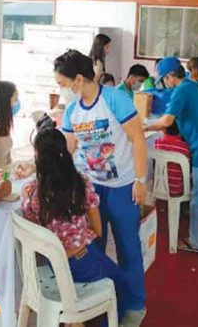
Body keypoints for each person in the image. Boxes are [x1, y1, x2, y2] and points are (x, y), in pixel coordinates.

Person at [54, 49, 147, 324]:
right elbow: (68, 149)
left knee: (128, 247)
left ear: (79, 79)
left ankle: (134, 305)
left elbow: (138, 140)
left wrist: (141, 181)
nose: (62, 91)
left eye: (63, 84)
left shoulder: (114, 99)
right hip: (90, 189)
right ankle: (103, 304)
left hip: (122, 186)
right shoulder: (72, 110)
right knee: (93, 247)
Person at [21, 128, 131, 324]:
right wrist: (80, 241)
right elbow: (98, 230)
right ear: (65, 152)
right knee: (123, 286)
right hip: (81, 260)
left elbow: (34, 230)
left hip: (51, 266)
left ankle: (76, 320)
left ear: (38, 156)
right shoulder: (80, 184)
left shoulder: (30, 191)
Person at [145, 57, 198, 254]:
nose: (164, 84)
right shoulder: (195, 86)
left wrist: (143, 126)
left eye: (163, 80)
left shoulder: (181, 90)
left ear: (169, 77)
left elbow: (167, 121)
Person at [153, 121, 191, 197]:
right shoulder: (184, 147)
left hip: (158, 187)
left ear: (163, 129)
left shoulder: (157, 143)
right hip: (177, 190)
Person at [0, 80, 20, 168]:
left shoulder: (4, 122)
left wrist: (8, 174)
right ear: (5, 101)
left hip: (3, 174)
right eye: (15, 99)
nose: (17, 103)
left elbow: (7, 158)